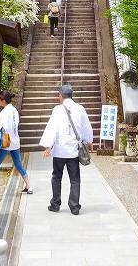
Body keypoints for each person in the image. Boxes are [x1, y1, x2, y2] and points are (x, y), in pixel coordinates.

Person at [39, 84, 93, 215]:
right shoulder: (80, 109)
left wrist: (48, 146)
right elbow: (86, 126)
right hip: (74, 151)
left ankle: (55, 204)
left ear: (61, 96)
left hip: (59, 151)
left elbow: (52, 128)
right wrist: (89, 141)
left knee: (56, 177)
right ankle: (74, 207)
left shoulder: (57, 110)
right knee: (75, 179)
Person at [0, 90, 32, 197]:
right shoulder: (14, 110)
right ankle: (29, 186)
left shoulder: (4, 112)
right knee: (18, 164)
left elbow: (3, 128)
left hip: (6, 142)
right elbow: (12, 126)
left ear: (3, 101)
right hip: (15, 142)